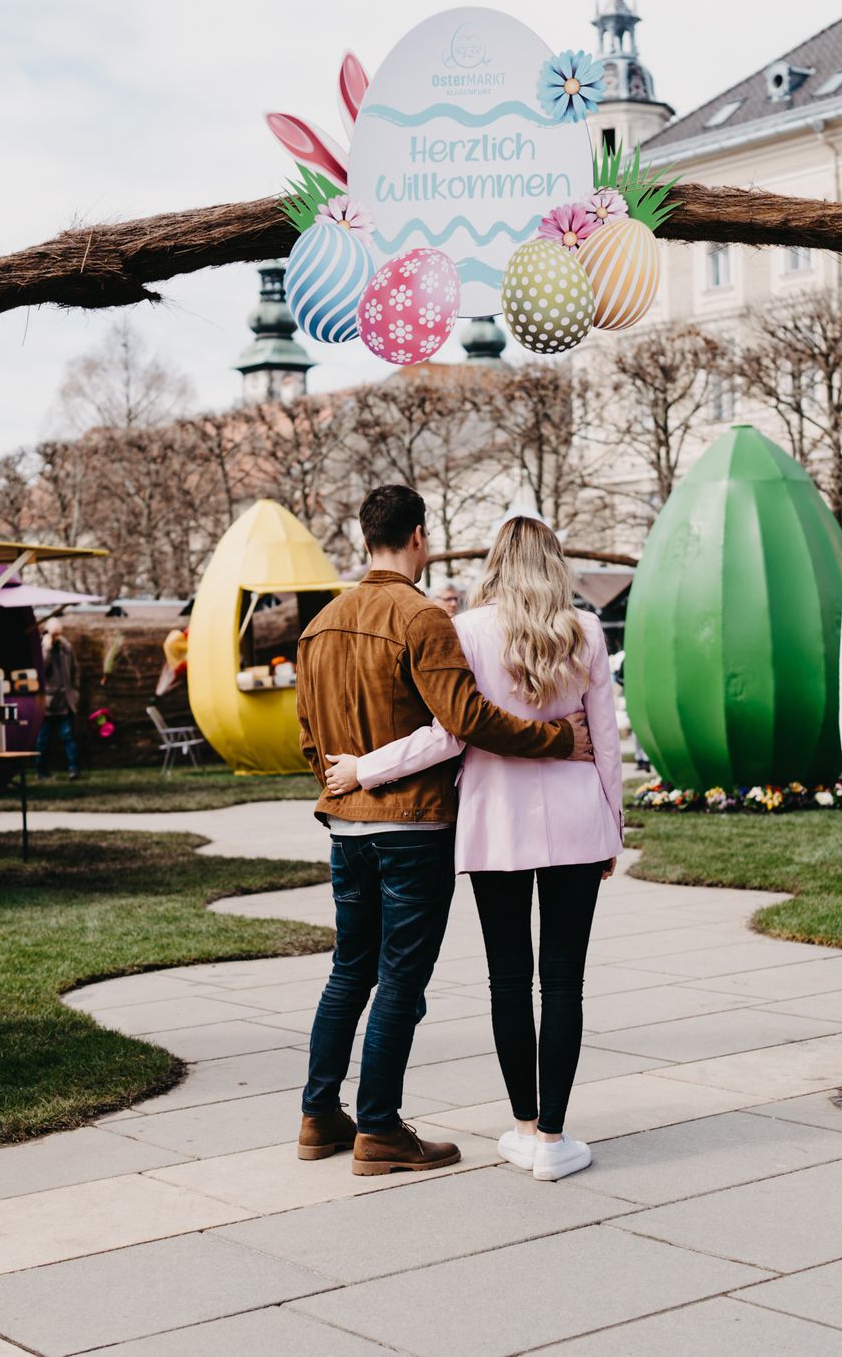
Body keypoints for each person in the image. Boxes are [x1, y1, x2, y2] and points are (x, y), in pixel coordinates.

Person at [294, 486, 594, 1177]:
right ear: (420, 538)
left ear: (361, 536)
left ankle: (317, 1115)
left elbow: (307, 732)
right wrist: (553, 740)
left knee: (348, 969)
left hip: (344, 822)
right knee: (401, 978)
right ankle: (377, 1129)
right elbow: (463, 721)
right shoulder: (421, 617)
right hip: (412, 823)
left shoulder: (320, 624)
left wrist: (339, 777)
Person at [35, 616, 80, 781]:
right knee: (43, 738)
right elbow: (41, 669)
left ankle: (74, 769)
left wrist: (75, 691)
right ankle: (40, 770)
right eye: (54, 634)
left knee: (68, 736)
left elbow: (75, 669)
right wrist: (47, 648)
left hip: (66, 700)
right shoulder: (42, 647)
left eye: (58, 634)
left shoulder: (66, 647)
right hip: (48, 702)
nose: (56, 637)